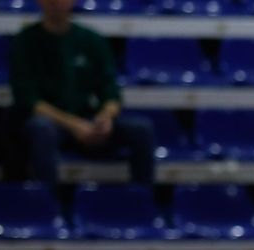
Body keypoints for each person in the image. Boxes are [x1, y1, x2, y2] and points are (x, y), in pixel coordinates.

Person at [10, 0, 155, 185]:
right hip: (53, 123)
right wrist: (74, 125)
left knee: (141, 128)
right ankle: (47, 202)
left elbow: (111, 92)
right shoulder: (25, 41)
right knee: (41, 128)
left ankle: (142, 200)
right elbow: (28, 99)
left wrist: (105, 119)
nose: (56, 3)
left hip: (87, 119)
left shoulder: (91, 39)